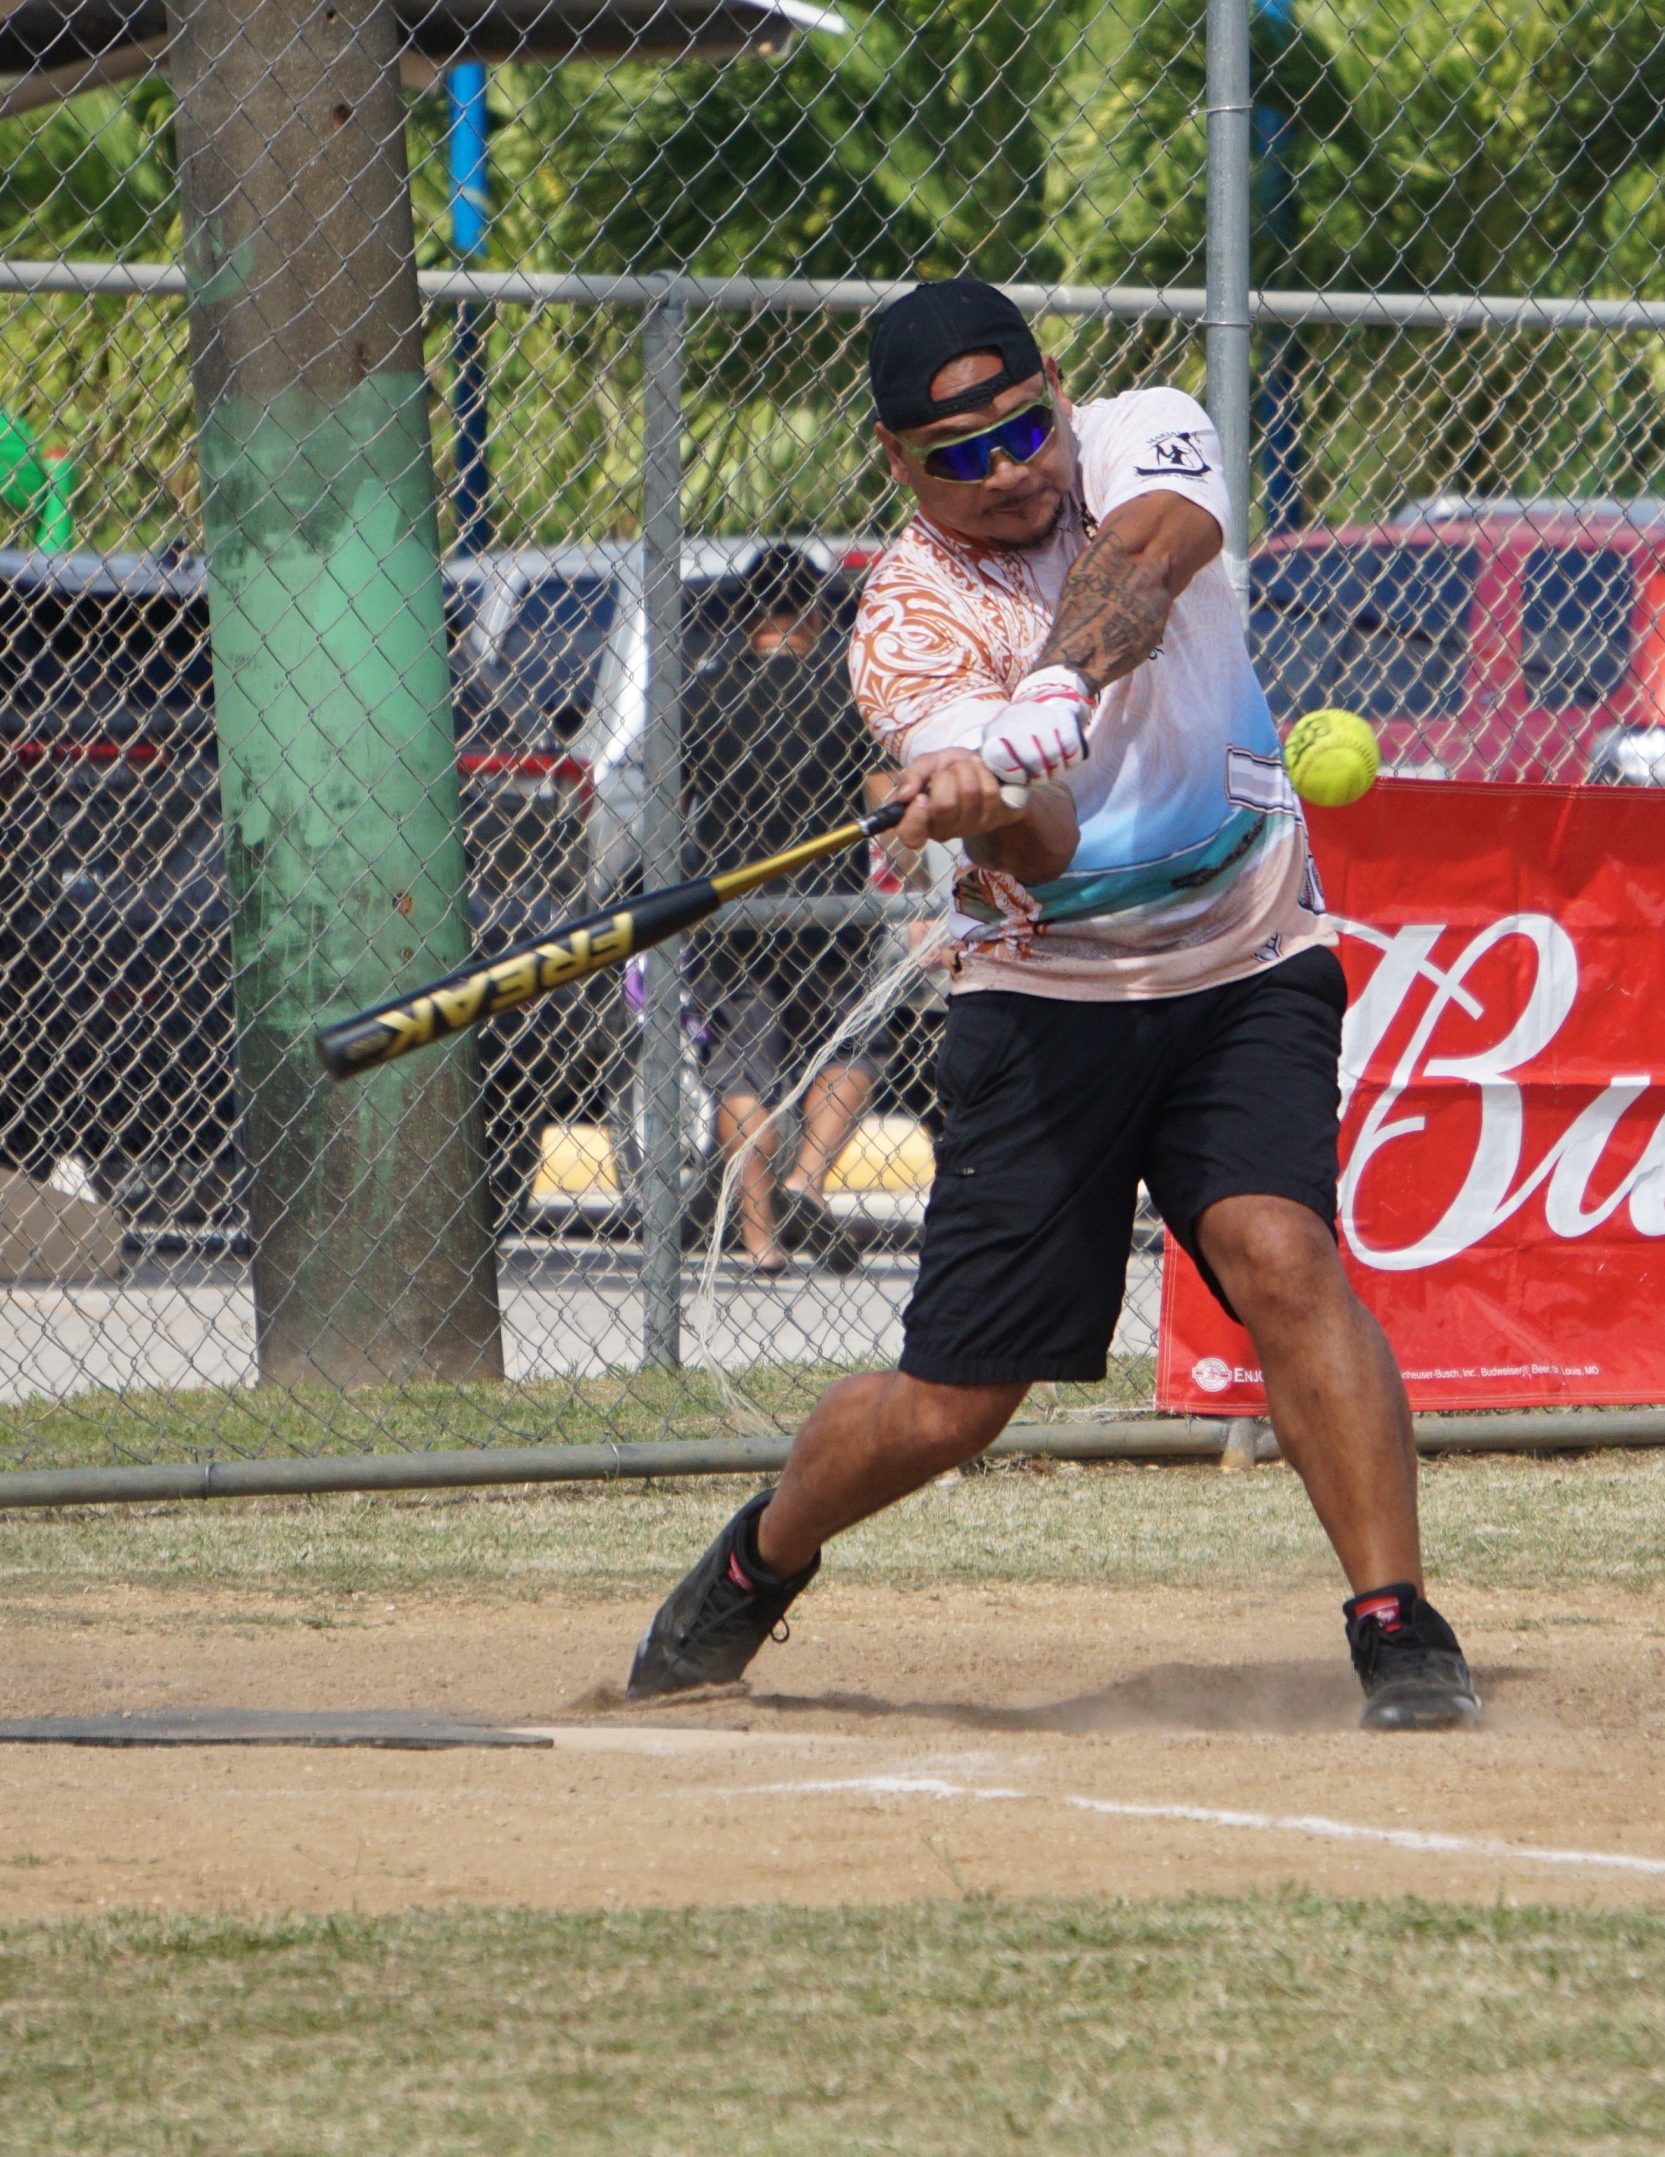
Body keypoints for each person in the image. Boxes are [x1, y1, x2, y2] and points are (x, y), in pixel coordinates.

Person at [623, 275, 1481, 1731]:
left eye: (1020, 430)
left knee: (1281, 1257)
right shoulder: (902, 626)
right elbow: (1050, 852)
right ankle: (758, 1561)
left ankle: (1398, 1622)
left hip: (1248, 957)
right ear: (895, 461)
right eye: (955, 456)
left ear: (1058, 390)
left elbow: (1152, 559)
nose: (1005, 471)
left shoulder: (1146, 430)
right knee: (955, 1407)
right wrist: (982, 797)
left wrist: (1053, 690)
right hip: (1045, 1002)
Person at [679, 545, 884, 1276]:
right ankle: (809, 1179)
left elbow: (672, 805)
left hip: (732, 903)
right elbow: (884, 795)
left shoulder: (704, 695)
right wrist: (915, 883)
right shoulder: (846, 689)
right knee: (850, 1046)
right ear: (819, 616)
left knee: (742, 1069)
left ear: (743, 617)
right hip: (831, 902)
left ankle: (760, 1238)